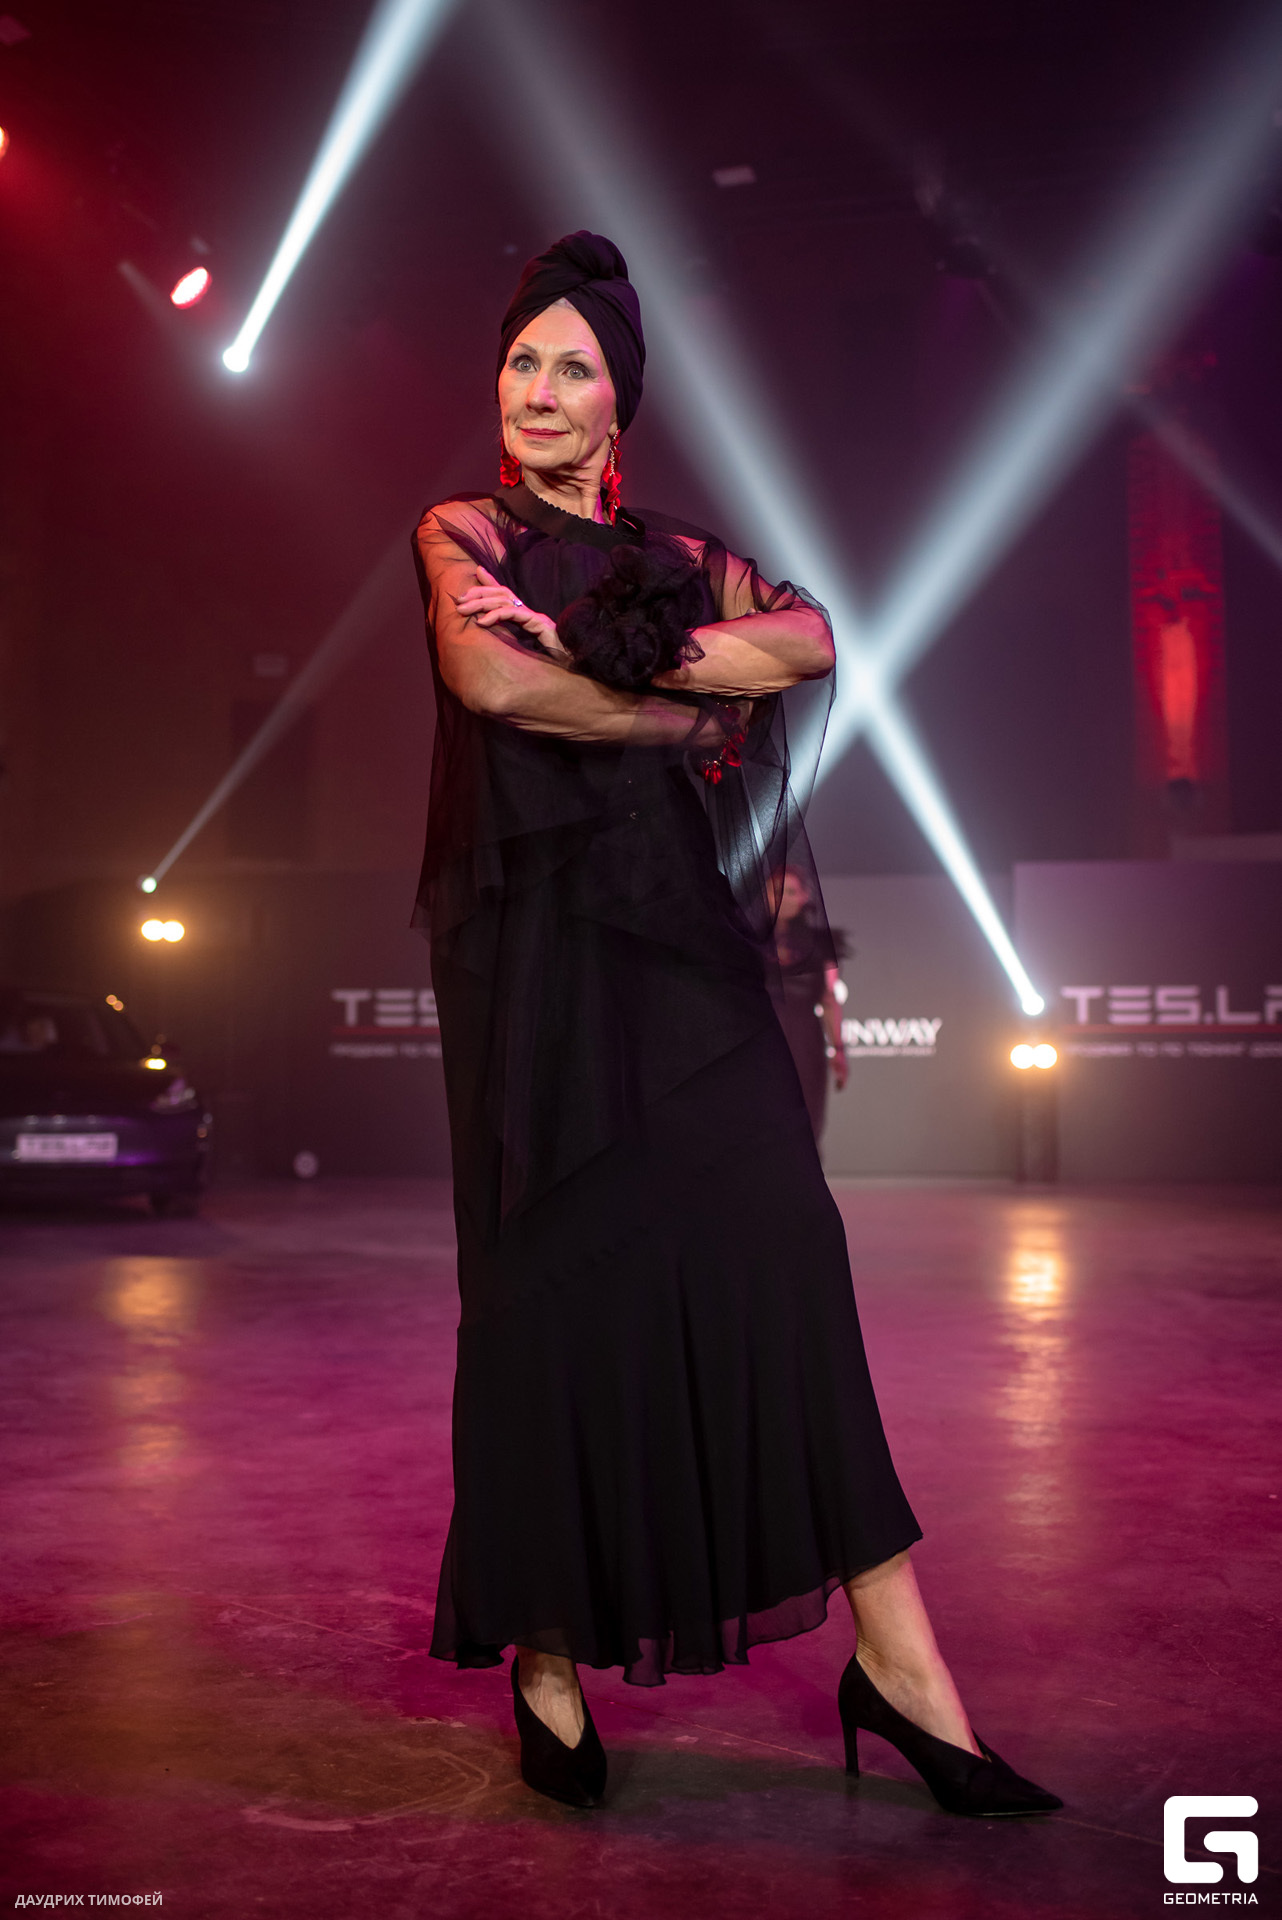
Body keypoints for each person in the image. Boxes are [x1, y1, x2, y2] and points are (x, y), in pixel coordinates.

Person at [411, 231, 1060, 1818]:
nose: (539, 389)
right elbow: (492, 687)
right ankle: (546, 1659)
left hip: (680, 954)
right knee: (547, 1291)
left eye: (573, 366)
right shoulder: (461, 529)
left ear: (617, 401)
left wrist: (623, 643)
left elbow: (811, 638)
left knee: (786, 1256)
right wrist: (675, 708)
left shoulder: (682, 552)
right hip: (532, 965)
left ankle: (898, 1667)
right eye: (520, 361)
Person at [772, 864, 849, 1141]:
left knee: (806, 1121)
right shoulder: (747, 942)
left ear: (805, 896)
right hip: (763, 1040)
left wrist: (838, 1049)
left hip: (804, 1042)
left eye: (791, 892)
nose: (783, 898)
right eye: (777, 891)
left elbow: (829, 999)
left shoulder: (819, 946)